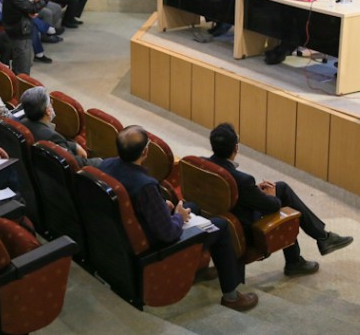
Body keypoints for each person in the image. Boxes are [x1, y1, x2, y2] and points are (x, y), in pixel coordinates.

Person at [100, 126, 258, 311]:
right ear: (145, 152)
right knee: (221, 226)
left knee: (193, 206)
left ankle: (197, 269)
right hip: (154, 244)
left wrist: (161, 205)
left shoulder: (106, 165)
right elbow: (168, 233)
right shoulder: (145, 185)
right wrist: (178, 216)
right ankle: (231, 297)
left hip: (127, 229)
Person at [207, 123, 353, 276]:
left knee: (281, 188)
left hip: (220, 215)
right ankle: (304, 253)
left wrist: (254, 191)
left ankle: (320, 239)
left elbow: (232, 190)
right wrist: (269, 195)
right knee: (282, 202)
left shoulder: (204, 165)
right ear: (236, 148)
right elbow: (273, 206)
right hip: (244, 227)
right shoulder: (243, 180)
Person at [19, 86, 101, 167]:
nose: (52, 103)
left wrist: (74, 146)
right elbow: (73, 163)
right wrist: (99, 162)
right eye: (50, 102)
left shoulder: (23, 123)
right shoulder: (52, 137)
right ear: (48, 111)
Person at [2, 0, 45, 75]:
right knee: (23, 68)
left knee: (26, 62)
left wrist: (29, 11)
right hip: (19, 32)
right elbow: (32, 8)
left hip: (23, 27)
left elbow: (26, 6)